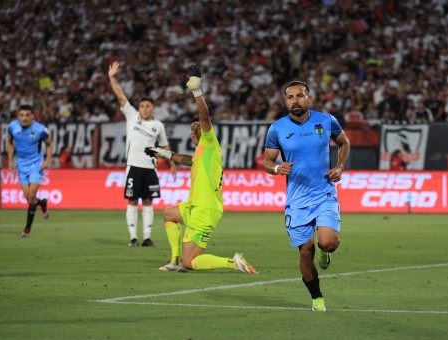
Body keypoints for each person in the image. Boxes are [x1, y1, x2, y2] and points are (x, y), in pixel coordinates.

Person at [145, 64, 257, 274]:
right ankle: (174, 260)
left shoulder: (210, 141)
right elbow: (187, 160)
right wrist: (162, 153)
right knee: (169, 214)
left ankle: (233, 263)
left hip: (205, 210)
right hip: (196, 205)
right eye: (191, 128)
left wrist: (196, 91)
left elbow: (204, 117)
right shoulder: (201, 153)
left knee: (191, 262)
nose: (194, 130)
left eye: (196, 127)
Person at [263, 81, 350, 311]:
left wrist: (340, 167)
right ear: (286, 101)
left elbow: (344, 142)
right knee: (304, 254)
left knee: (328, 242)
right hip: (297, 200)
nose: (295, 100)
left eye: (300, 96)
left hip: (324, 193)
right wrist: (276, 169)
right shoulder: (277, 129)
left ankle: (325, 249)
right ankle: (317, 298)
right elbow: (267, 161)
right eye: (290, 97)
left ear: (309, 98)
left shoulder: (326, 120)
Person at [108, 61, 177, 247]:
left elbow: (164, 146)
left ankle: (146, 237)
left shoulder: (158, 125)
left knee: (148, 201)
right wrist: (111, 77)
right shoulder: (131, 116)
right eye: (142, 106)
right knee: (132, 201)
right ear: (138, 108)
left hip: (149, 168)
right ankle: (133, 238)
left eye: (148, 106)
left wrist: (172, 163)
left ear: (153, 108)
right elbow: (121, 96)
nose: (144, 109)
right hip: (133, 167)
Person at [7, 104, 53, 237]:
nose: (24, 118)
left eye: (27, 115)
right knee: (29, 198)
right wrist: (10, 160)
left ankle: (27, 228)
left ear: (32, 116)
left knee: (32, 195)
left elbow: (50, 145)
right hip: (21, 166)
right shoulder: (12, 127)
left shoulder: (40, 130)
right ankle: (43, 203)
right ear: (18, 116)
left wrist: (47, 160)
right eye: (22, 115)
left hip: (35, 165)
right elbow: (9, 142)